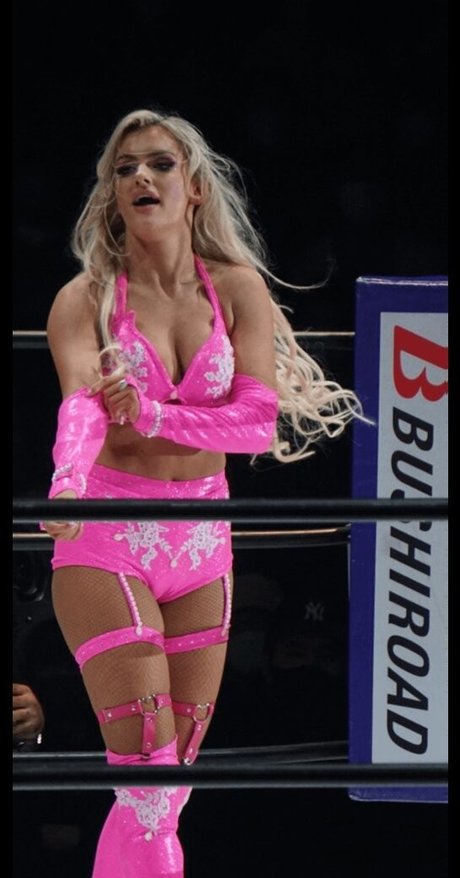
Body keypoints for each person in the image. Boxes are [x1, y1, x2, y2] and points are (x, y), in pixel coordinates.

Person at [40, 107, 367, 878]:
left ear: (193, 187)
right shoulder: (84, 298)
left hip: (201, 544)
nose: (141, 177)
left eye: (159, 163)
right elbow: (81, 405)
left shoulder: (236, 288)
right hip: (109, 536)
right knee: (150, 782)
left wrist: (152, 413)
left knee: (163, 791)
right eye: (125, 168)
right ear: (112, 194)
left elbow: (254, 424)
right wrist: (66, 483)